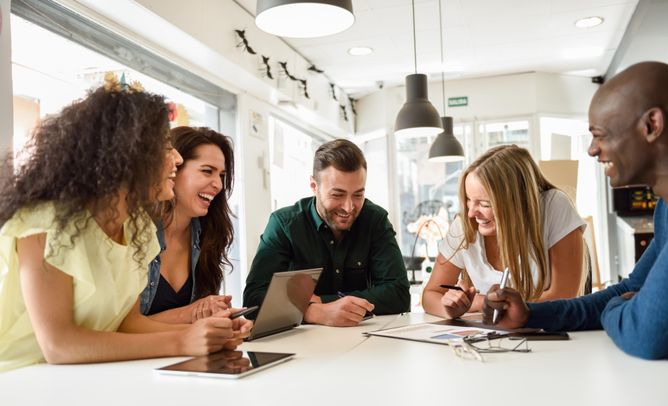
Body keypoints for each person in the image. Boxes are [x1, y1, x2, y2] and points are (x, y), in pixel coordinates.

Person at [0, 77, 250, 372]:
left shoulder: (139, 229)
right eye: (164, 147)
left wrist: (210, 336)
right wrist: (183, 341)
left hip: (89, 378)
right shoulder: (45, 223)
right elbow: (58, 345)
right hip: (21, 381)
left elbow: (128, 323)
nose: (176, 158)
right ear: (127, 154)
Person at [484, 61, 668, 360]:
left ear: (652, 125)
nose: (592, 149)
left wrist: (618, 309)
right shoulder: (666, 208)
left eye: (600, 134)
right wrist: (529, 314)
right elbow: (632, 290)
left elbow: (646, 333)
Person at [243, 139, 410, 326]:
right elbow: (253, 300)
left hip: (362, 340)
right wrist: (312, 312)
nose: (348, 207)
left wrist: (323, 301)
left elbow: (399, 294)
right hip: (302, 346)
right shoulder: (284, 224)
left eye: (358, 195)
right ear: (314, 186)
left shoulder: (374, 219)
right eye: (337, 195)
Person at [422, 145, 587, 320]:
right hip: (491, 338)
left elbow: (563, 298)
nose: (471, 213)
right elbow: (430, 294)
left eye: (484, 204)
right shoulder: (465, 225)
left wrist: (485, 304)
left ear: (517, 201)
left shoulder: (553, 207)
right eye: (469, 200)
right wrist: (452, 309)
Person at [139, 126, 237, 323]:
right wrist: (191, 314)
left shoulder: (207, 235)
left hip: (183, 353)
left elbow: (197, 320)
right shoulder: (136, 232)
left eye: (222, 176)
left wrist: (222, 319)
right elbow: (121, 325)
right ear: (172, 169)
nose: (218, 184)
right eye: (207, 171)